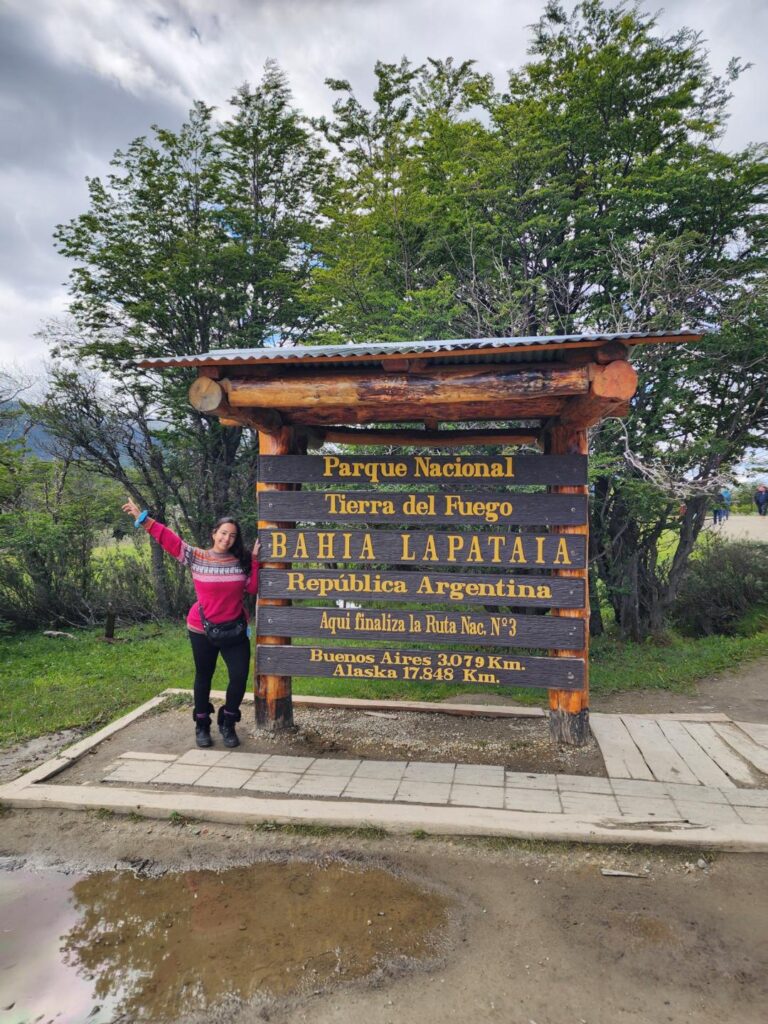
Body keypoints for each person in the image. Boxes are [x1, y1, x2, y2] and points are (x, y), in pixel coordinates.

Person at [122, 499, 260, 748]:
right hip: (202, 628)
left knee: (239, 677)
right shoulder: (197, 557)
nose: (226, 539)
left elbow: (252, 588)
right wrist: (144, 519)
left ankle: (228, 723)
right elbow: (170, 540)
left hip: (235, 629)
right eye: (223, 533)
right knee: (203, 676)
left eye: (232, 535)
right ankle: (202, 724)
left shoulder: (241, 560)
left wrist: (256, 562)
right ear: (214, 534)